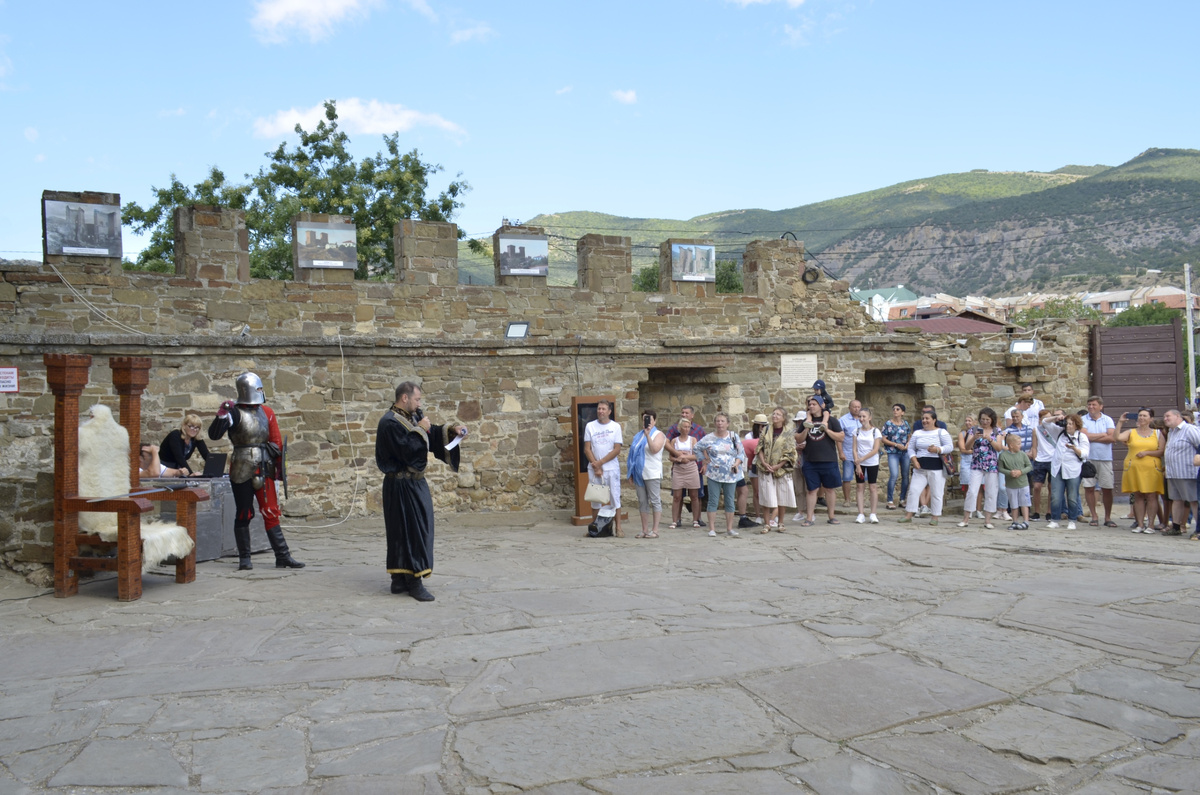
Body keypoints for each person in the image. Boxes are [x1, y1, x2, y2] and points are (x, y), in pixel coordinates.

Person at [375, 380, 466, 600]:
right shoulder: (389, 422)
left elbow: (430, 435)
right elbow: (409, 450)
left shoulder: (410, 417)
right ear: (404, 398)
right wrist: (421, 430)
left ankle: (400, 580)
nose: (419, 403)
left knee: (408, 531)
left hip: (411, 484)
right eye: (417, 399)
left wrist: (452, 430)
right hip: (400, 485)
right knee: (410, 532)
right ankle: (413, 583)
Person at [209, 372, 304, 571]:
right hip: (241, 466)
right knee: (244, 512)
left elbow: (276, 441)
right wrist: (222, 415)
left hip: (264, 466)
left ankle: (282, 556)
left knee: (271, 511)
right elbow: (214, 435)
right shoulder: (234, 413)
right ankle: (245, 558)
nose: (260, 392)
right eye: (258, 388)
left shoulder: (267, 412)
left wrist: (276, 463)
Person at [694, 412, 747, 537]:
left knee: (729, 501)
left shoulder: (733, 436)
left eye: (722, 421)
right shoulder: (709, 438)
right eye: (718, 421)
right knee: (713, 500)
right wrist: (705, 460)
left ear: (727, 423)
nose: (720, 423)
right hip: (714, 473)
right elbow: (696, 448)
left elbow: (741, 453)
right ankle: (712, 528)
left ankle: (729, 528)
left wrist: (737, 463)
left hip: (730, 474)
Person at [897, 410, 953, 525]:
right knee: (913, 491)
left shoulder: (941, 432)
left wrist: (938, 449)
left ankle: (935, 517)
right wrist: (914, 459)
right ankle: (909, 515)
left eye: (927, 418)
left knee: (937, 493)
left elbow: (949, 447)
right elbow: (911, 448)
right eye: (923, 419)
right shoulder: (917, 433)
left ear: (934, 420)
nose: (924, 421)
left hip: (936, 467)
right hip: (920, 467)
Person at [1116, 408, 1166, 534]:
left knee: (1151, 495)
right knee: (1137, 495)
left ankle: (1151, 525)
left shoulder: (1157, 433)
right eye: (1140, 415)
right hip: (1134, 468)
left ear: (1151, 419)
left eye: (1145, 415)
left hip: (1151, 468)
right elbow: (1116, 437)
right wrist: (1120, 422)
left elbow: (1161, 451)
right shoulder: (1131, 432)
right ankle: (1140, 524)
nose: (1141, 418)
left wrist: (1147, 453)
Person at [797, 397, 844, 526]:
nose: (811, 406)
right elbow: (798, 438)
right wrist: (807, 428)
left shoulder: (832, 420)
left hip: (828, 460)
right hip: (810, 461)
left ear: (820, 406)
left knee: (829, 489)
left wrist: (827, 430)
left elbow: (841, 436)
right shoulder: (806, 421)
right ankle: (809, 518)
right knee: (811, 490)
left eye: (814, 404)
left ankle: (831, 516)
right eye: (809, 404)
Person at [1042, 412, 1091, 530]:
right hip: (1058, 469)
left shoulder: (1081, 437)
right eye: (1067, 423)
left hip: (1073, 470)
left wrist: (1074, 448)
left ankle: (1072, 520)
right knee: (1055, 496)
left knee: (1072, 496)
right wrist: (1056, 418)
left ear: (1076, 425)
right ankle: (1055, 519)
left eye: (1071, 424)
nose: (1068, 426)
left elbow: (1085, 454)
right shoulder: (1060, 433)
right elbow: (1044, 422)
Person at [584, 399, 623, 538]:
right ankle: (595, 527)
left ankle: (618, 528)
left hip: (611, 468)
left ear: (609, 411)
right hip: (594, 469)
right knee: (596, 498)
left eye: (603, 409)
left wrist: (600, 463)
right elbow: (587, 448)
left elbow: (617, 449)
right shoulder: (590, 426)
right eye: (599, 409)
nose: (600, 411)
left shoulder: (615, 427)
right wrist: (595, 466)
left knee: (615, 497)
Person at [960, 408, 1004, 528]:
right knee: (972, 491)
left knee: (991, 492)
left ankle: (988, 520)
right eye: (983, 419)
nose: (985, 422)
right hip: (976, 464)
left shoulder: (997, 431)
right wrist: (974, 438)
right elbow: (967, 447)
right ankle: (966, 519)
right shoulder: (973, 430)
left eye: (987, 419)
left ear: (992, 420)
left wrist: (989, 439)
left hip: (991, 465)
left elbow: (999, 448)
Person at [756, 408, 797, 532]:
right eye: (774, 413)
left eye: (778, 414)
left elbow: (790, 451)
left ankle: (780, 522)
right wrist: (763, 462)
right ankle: (767, 523)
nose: (775, 416)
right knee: (766, 495)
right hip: (766, 468)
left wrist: (779, 465)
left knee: (782, 496)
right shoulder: (766, 430)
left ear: (784, 418)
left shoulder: (788, 432)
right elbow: (760, 447)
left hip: (781, 469)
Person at [628, 409, 667, 538]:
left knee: (655, 501)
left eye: (649, 419)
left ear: (654, 421)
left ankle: (655, 530)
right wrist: (631, 472)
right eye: (645, 418)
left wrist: (648, 435)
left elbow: (654, 449)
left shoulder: (659, 434)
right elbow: (633, 454)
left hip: (652, 473)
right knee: (642, 501)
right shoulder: (638, 436)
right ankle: (644, 529)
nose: (647, 421)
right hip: (639, 473)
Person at [665, 406, 706, 527]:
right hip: (678, 468)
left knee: (696, 494)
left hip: (694, 467)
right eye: (682, 412)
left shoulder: (698, 430)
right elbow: (666, 444)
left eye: (686, 413)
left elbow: (703, 448)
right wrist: (678, 455)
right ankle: (676, 519)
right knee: (678, 495)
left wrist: (704, 463)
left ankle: (697, 519)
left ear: (692, 415)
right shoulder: (674, 430)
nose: (684, 415)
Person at [1161, 409, 1200, 536]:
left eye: (1168, 416)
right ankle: (1176, 527)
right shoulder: (1171, 432)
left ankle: (1198, 529)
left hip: (1188, 473)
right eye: (1164, 417)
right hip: (1173, 473)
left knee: (1194, 501)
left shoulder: (1189, 430)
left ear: (1178, 416)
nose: (1165, 418)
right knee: (1176, 499)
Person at [1081, 396, 1117, 527]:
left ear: (1100, 406)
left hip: (1105, 458)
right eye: (1089, 404)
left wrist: (1092, 437)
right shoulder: (1083, 419)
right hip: (1088, 458)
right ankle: (1094, 516)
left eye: (1094, 405)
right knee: (1089, 487)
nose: (1091, 407)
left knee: (1107, 488)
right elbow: (1084, 436)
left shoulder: (1107, 420)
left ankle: (1107, 517)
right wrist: (1103, 434)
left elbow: (1112, 438)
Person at [737, 414, 769, 528]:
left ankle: (766, 514)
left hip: (762, 465)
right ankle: (758, 515)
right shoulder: (749, 436)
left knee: (766, 491)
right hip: (753, 465)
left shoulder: (768, 435)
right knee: (756, 492)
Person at [852, 406, 882, 524]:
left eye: (864, 416)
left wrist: (861, 459)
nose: (861, 419)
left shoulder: (876, 431)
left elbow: (875, 449)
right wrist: (857, 463)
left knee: (872, 487)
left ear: (869, 418)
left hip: (872, 462)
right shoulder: (856, 431)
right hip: (859, 463)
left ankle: (873, 513)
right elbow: (854, 449)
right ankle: (860, 513)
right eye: (860, 416)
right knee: (860, 487)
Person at [998, 432, 1033, 530]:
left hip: (1023, 483)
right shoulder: (1003, 456)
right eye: (1018, 444)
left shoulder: (1022, 455)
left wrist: (1020, 472)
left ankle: (1026, 521)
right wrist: (1010, 472)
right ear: (1011, 445)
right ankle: (1015, 521)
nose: (1020, 445)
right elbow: (1000, 468)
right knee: (1014, 504)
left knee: (1024, 503)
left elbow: (1029, 466)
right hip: (1011, 484)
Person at [881, 404, 911, 510]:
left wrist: (907, 445)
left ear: (902, 412)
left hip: (905, 453)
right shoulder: (888, 424)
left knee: (905, 476)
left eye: (898, 409)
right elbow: (883, 439)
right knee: (894, 475)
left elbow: (909, 436)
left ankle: (902, 499)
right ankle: (890, 500)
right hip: (893, 452)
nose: (895, 411)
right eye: (893, 409)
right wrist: (895, 444)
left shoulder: (905, 424)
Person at [839, 399, 863, 505]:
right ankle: (847, 500)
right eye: (854, 407)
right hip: (848, 453)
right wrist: (841, 452)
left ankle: (860, 500)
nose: (857, 409)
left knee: (861, 478)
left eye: (858, 407)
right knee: (847, 478)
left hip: (862, 455)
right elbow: (839, 438)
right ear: (849, 408)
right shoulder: (843, 420)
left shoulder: (864, 419)